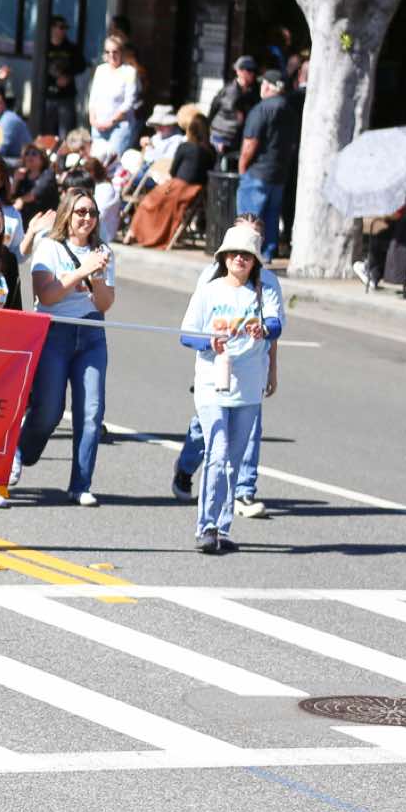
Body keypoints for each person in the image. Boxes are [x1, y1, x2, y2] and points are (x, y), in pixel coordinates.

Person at [0, 188, 115, 509]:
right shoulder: (49, 247)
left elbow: (104, 303)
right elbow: (46, 296)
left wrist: (98, 277)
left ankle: (81, 484)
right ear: (67, 215)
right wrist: (83, 271)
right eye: (80, 212)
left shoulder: (103, 251)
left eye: (92, 213)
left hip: (91, 334)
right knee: (49, 409)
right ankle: (20, 451)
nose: (87, 218)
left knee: (91, 412)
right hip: (54, 332)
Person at [179, 222, 284, 553]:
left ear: (255, 262)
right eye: (234, 253)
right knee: (218, 450)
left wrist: (263, 329)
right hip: (212, 381)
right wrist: (208, 341)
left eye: (247, 255)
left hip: (248, 385)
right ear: (224, 257)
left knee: (233, 460)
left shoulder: (264, 291)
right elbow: (187, 334)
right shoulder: (209, 290)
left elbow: (276, 324)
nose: (240, 259)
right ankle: (206, 526)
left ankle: (223, 528)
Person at [128, 109, 214, 249]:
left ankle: (135, 234)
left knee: (147, 202)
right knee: (158, 204)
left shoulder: (185, 146)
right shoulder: (211, 151)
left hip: (177, 187)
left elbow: (173, 171)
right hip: (196, 192)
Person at [237, 69, 296, 260]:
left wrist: (242, 168)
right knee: (271, 218)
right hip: (279, 174)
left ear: (267, 87)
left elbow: (250, 143)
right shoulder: (290, 110)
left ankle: (247, 254)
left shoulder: (261, 109)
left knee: (249, 221)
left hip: (258, 173)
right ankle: (266, 254)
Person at [87, 31, 142, 159]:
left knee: (112, 163)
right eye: (107, 52)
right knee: (96, 161)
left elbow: (129, 102)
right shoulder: (101, 70)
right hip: (98, 125)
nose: (111, 55)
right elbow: (93, 97)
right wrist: (92, 119)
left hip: (119, 127)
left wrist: (111, 122)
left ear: (121, 52)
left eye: (115, 51)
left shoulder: (129, 72)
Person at [206, 56, 261, 163]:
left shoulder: (253, 91)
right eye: (248, 70)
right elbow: (217, 109)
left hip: (238, 138)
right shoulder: (230, 91)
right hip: (223, 137)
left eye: (253, 71)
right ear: (239, 71)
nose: (252, 74)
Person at [40, 17, 84, 138]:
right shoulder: (44, 47)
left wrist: (68, 76)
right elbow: (39, 68)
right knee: (47, 134)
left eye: (65, 28)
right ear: (52, 28)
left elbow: (81, 66)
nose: (63, 31)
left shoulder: (71, 48)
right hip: (48, 96)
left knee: (66, 133)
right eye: (61, 27)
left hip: (66, 96)